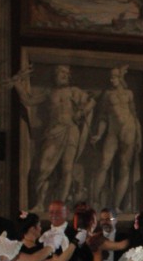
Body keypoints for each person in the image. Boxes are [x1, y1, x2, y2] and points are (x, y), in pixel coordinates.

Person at [11, 63, 96, 208]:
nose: (63, 75)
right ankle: (39, 203)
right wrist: (17, 83)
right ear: (54, 76)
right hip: (54, 131)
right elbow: (28, 100)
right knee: (44, 168)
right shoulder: (49, 93)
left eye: (65, 72)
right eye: (60, 72)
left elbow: (92, 101)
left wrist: (81, 112)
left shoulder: (74, 91)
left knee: (66, 168)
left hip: (70, 131)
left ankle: (61, 205)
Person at [90, 65, 143, 213]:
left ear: (120, 78)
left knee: (125, 168)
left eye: (114, 77)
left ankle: (117, 205)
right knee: (104, 164)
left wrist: (139, 135)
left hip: (129, 129)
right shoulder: (107, 95)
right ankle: (95, 201)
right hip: (113, 131)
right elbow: (103, 118)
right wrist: (99, 135)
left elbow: (134, 115)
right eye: (110, 78)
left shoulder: (128, 94)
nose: (112, 80)